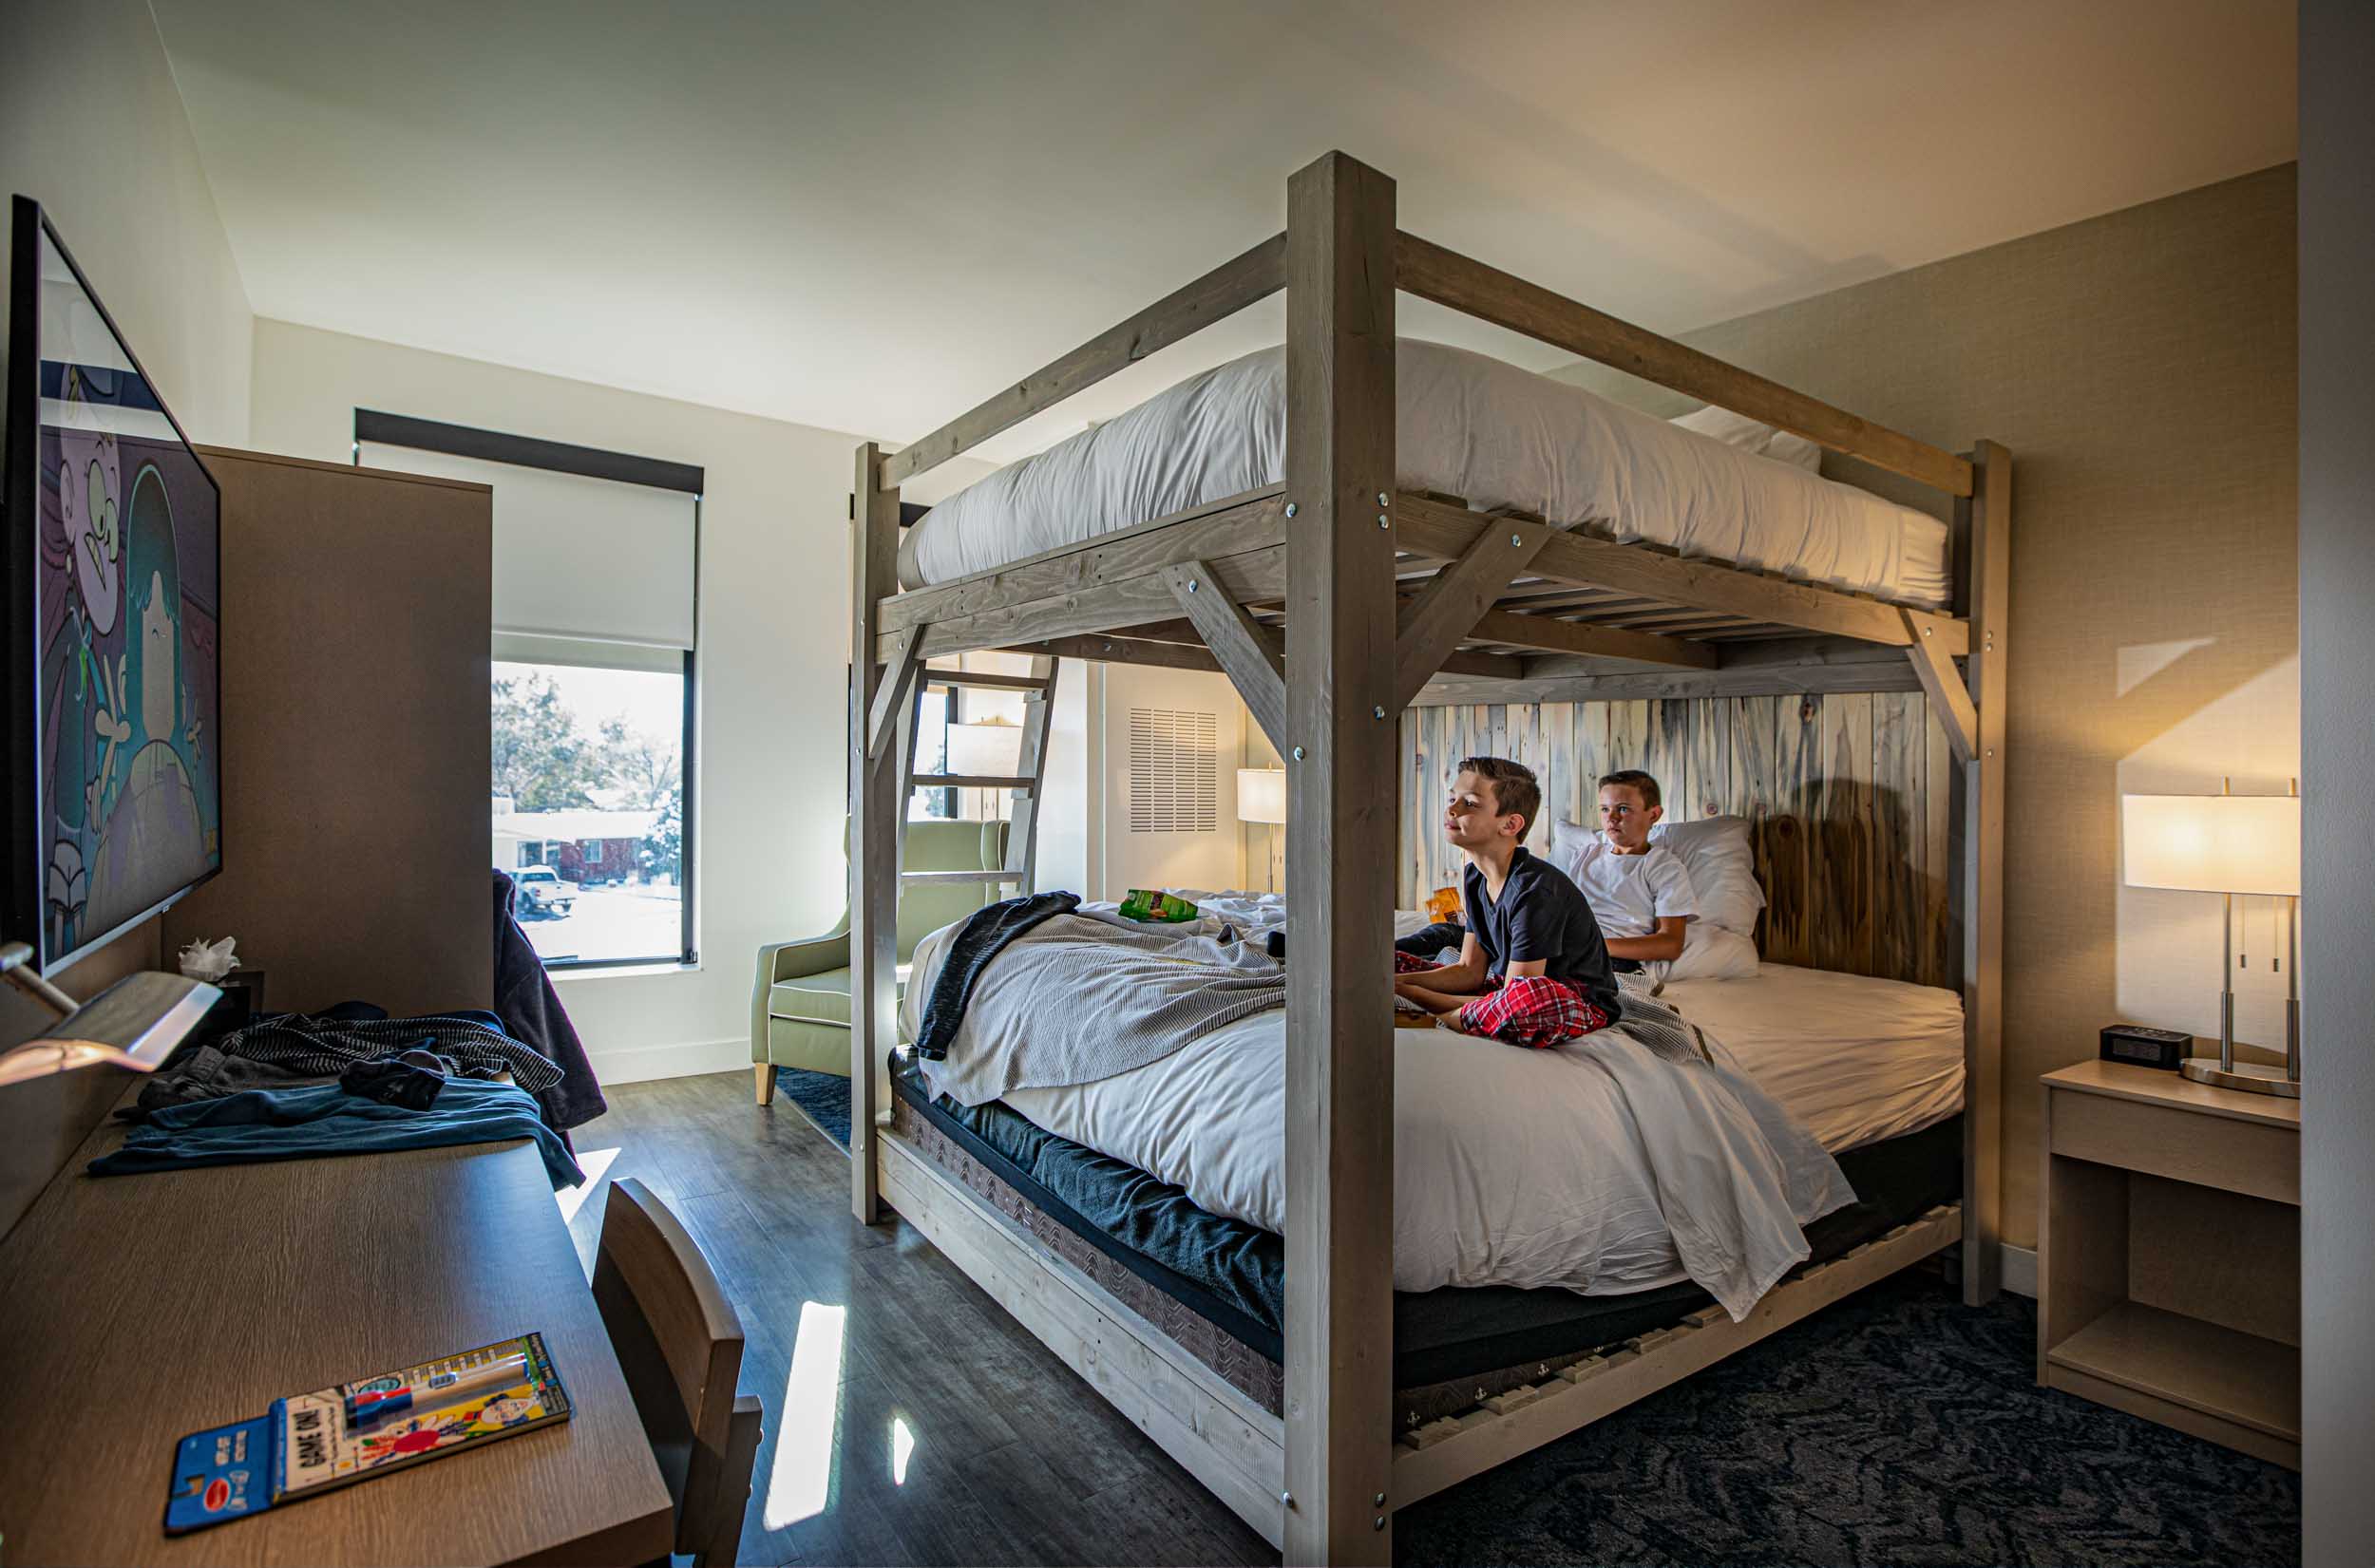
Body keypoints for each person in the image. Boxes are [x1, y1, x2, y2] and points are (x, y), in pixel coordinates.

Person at [1392, 756, 1621, 1047]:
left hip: (1570, 1000)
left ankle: (1444, 1016)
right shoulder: (1474, 877)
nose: (1451, 809)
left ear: (1510, 824)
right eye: (1452, 798)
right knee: (1386, 961)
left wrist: (1408, 992)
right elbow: (1468, 971)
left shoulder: (1536, 890)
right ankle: (1455, 1012)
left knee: (1528, 1000)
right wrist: (1399, 980)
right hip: (1501, 989)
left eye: (1470, 803)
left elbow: (1517, 994)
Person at [1567, 769, 1699, 969]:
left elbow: (1670, 944)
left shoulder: (1662, 866)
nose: (1611, 817)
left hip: (1613, 960)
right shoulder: (1585, 857)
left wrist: (1594, 945)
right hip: (1564, 951)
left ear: (1653, 814)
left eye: (1623, 809)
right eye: (1604, 809)